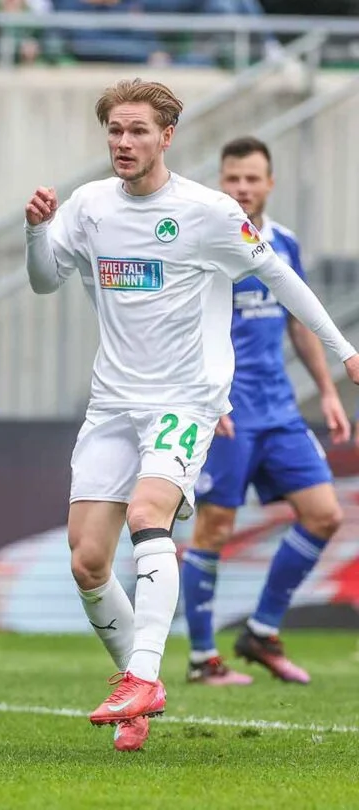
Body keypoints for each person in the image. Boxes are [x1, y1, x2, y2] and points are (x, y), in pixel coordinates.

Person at [23, 79, 359, 752]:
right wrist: (35, 230)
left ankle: (145, 677)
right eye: (115, 130)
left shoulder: (207, 212)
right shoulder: (89, 206)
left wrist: (344, 350)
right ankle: (135, 693)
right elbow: (44, 280)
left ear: (167, 136)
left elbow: (280, 277)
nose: (123, 142)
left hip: (185, 398)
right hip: (113, 402)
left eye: (138, 130)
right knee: (87, 561)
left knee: (149, 513)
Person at [182, 136, 349, 687]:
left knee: (324, 514)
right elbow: (182, 326)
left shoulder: (284, 244)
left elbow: (298, 321)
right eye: (233, 178)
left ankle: (261, 631)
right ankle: (203, 659)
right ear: (220, 182)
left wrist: (326, 391)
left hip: (279, 409)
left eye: (252, 179)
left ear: (269, 184)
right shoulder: (205, 243)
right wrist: (203, 396)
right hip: (226, 410)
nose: (242, 188)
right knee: (215, 527)